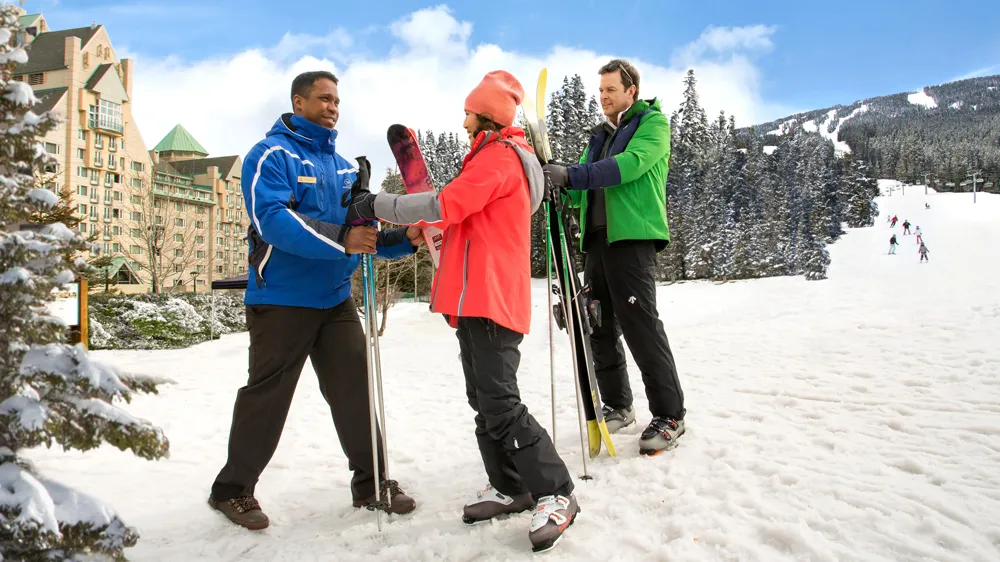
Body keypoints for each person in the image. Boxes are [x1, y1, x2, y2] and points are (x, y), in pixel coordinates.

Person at [344, 70, 579, 553]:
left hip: (493, 297)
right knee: (483, 401)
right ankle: (510, 485)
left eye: (468, 111)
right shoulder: (488, 157)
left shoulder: (499, 159)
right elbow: (458, 219)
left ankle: (557, 492)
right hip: (475, 298)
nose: (463, 119)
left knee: (501, 402)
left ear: (486, 115)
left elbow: (446, 203)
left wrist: (378, 204)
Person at [208, 70, 421, 530]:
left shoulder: (344, 167)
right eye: (323, 99)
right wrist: (345, 239)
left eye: (337, 101)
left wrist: (407, 239)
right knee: (268, 396)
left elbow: (362, 235)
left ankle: (373, 483)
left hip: (334, 300)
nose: (332, 107)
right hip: (282, 299)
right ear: (298, 101)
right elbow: (272, 220)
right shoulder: (270, 155)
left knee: (355, 391)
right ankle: (233, 490)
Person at [540, 59, 685, 456]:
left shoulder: (652, 125)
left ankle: (671, 414)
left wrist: (573, 175)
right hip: (597, 243)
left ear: (630, 91)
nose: (603, 97)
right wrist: (554, 182)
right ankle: (620, 404)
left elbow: (628, 167)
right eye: (600, 90)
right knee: (598, 326)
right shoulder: (599, 136)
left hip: (633, 238)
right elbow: (582, 187)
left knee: (641, 325)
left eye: (610, 90)